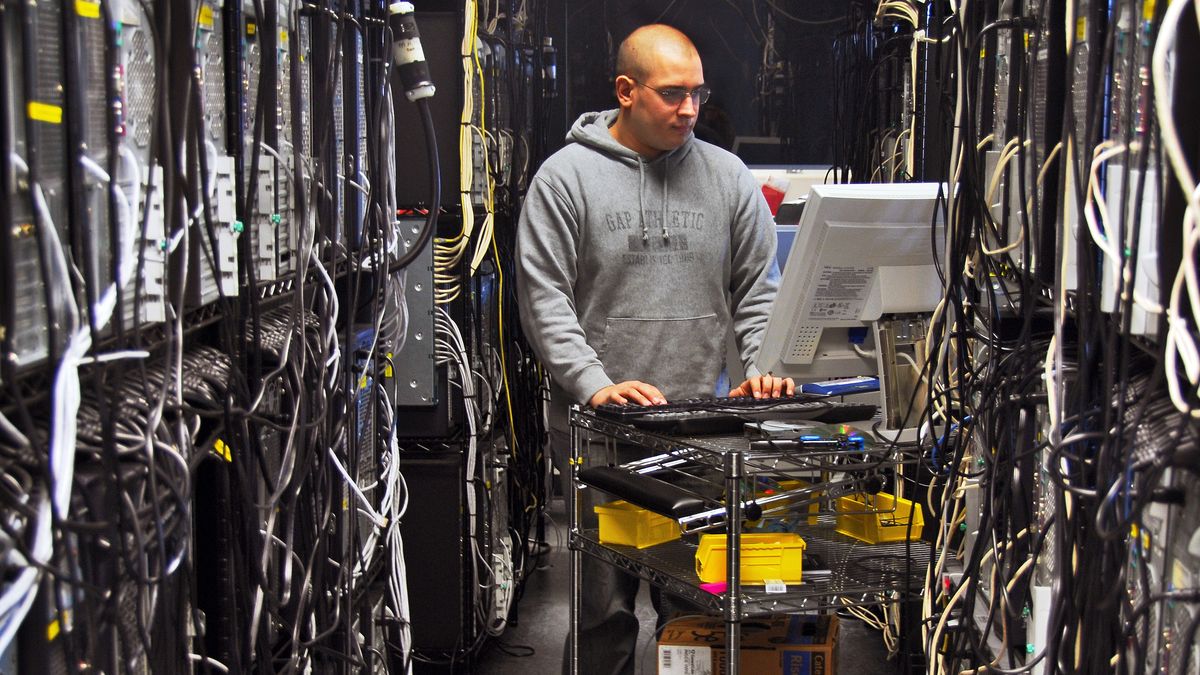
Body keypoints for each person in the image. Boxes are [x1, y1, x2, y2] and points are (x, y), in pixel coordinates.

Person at [515, 24, 794, 675]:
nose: (690, 109)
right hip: (600, 434)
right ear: (626, 91)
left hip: (700, 433)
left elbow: (759, 289)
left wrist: (760, 371)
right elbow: (543, 299)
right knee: (602, 615)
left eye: (697, 93)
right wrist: (593, 382)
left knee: (696, 608)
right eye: (673, 94)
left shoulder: (728, 179)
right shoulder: (565, 180)